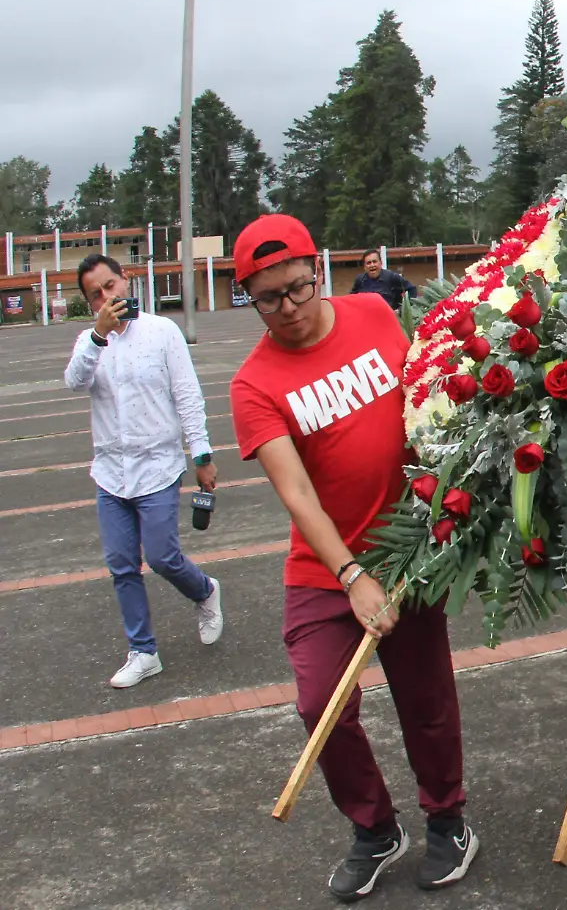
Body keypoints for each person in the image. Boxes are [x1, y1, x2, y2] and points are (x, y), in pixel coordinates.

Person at [229, 215, 479, 901]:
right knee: (319, 704)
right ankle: (374, 828)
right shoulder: (253, 385)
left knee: (425, 700)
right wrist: (350, 575)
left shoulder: (373, 312)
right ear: (247, 295)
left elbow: (423, 404)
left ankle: (447, 819)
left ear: (319, 269)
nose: (288, 308)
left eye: (298, 287)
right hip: (325, 569)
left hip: (407, 546)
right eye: (268, 298)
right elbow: (297, 492)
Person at [63, 254, 224, 689]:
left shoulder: (161, 332)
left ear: (126, 280)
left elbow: (187, 395)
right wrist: (98, 335)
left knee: (161, 556)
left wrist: (202, 455)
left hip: (158, 464)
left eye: (110, 285)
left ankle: (204, 590)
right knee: (121, 565)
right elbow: (73, 382)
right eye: (95, 294)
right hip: (111, 470)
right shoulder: (89, 341)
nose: (107, 296)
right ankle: (143, 651)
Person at [350, 249, 417, 311]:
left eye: (374, 261)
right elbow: (351, 300)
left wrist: (400, 311)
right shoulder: (360, 280)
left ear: (381, 263)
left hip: (389, 319)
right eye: (368, 263)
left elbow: (412, 290)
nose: (372, 265)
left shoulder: (392, 277)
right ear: (364, 267)